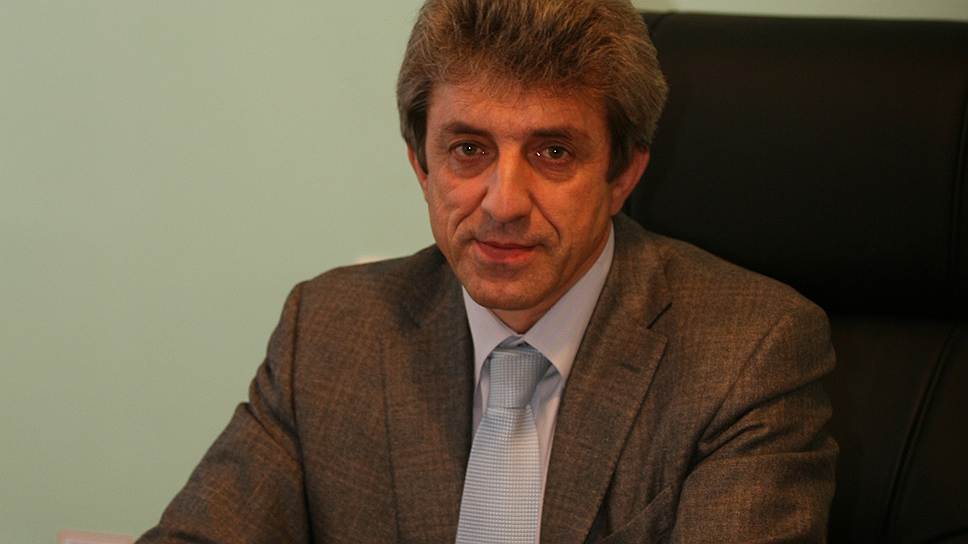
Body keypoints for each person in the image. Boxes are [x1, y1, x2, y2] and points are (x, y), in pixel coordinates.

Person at [139, 0, 837, 542]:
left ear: (622, 174)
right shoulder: (327, 335)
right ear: (421, 166)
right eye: (469, 149)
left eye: (552, 153)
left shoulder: (747, 356)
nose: (504, 204)